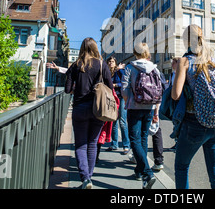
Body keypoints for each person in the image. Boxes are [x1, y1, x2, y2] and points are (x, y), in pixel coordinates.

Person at [171, 24, 215, 189]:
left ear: (186, 41)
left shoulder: (185, 61)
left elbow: (175, 94)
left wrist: (176, 71)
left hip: (195, 122)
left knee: (182, 167)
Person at [64, 37, 113, 189]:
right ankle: (89, 178)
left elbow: (67, 89)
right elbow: (110, 87)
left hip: (79, 108)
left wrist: (77, 89)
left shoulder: (76, 65)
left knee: (80, 144)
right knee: (92, 144)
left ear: (82, 48)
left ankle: (85, 178)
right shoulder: (101, 64)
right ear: (95, 48)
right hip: (98, 109)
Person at [121, 42, 165, 189]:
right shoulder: (155, 68)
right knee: (143, 138)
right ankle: (139, 171)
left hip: (134, 107)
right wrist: (156, 110)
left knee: (134, 140)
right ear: (147, 53)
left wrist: (129, 101)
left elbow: (125, 89)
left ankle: (147, 173)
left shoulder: (130, 67)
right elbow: (159, 90)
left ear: (135, 52)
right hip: (150, 107)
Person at [106, 56, 130, 154]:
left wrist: (115, 85)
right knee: (113, 121)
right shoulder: (107, 72)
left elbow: (125, 83)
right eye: (109, 62)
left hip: (121, 97)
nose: (111, 63)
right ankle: (114, 144)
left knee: (122, 121)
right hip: (111, 98)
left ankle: (126, 145)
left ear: (115, 63)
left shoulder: (119, 71)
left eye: (112, 61)